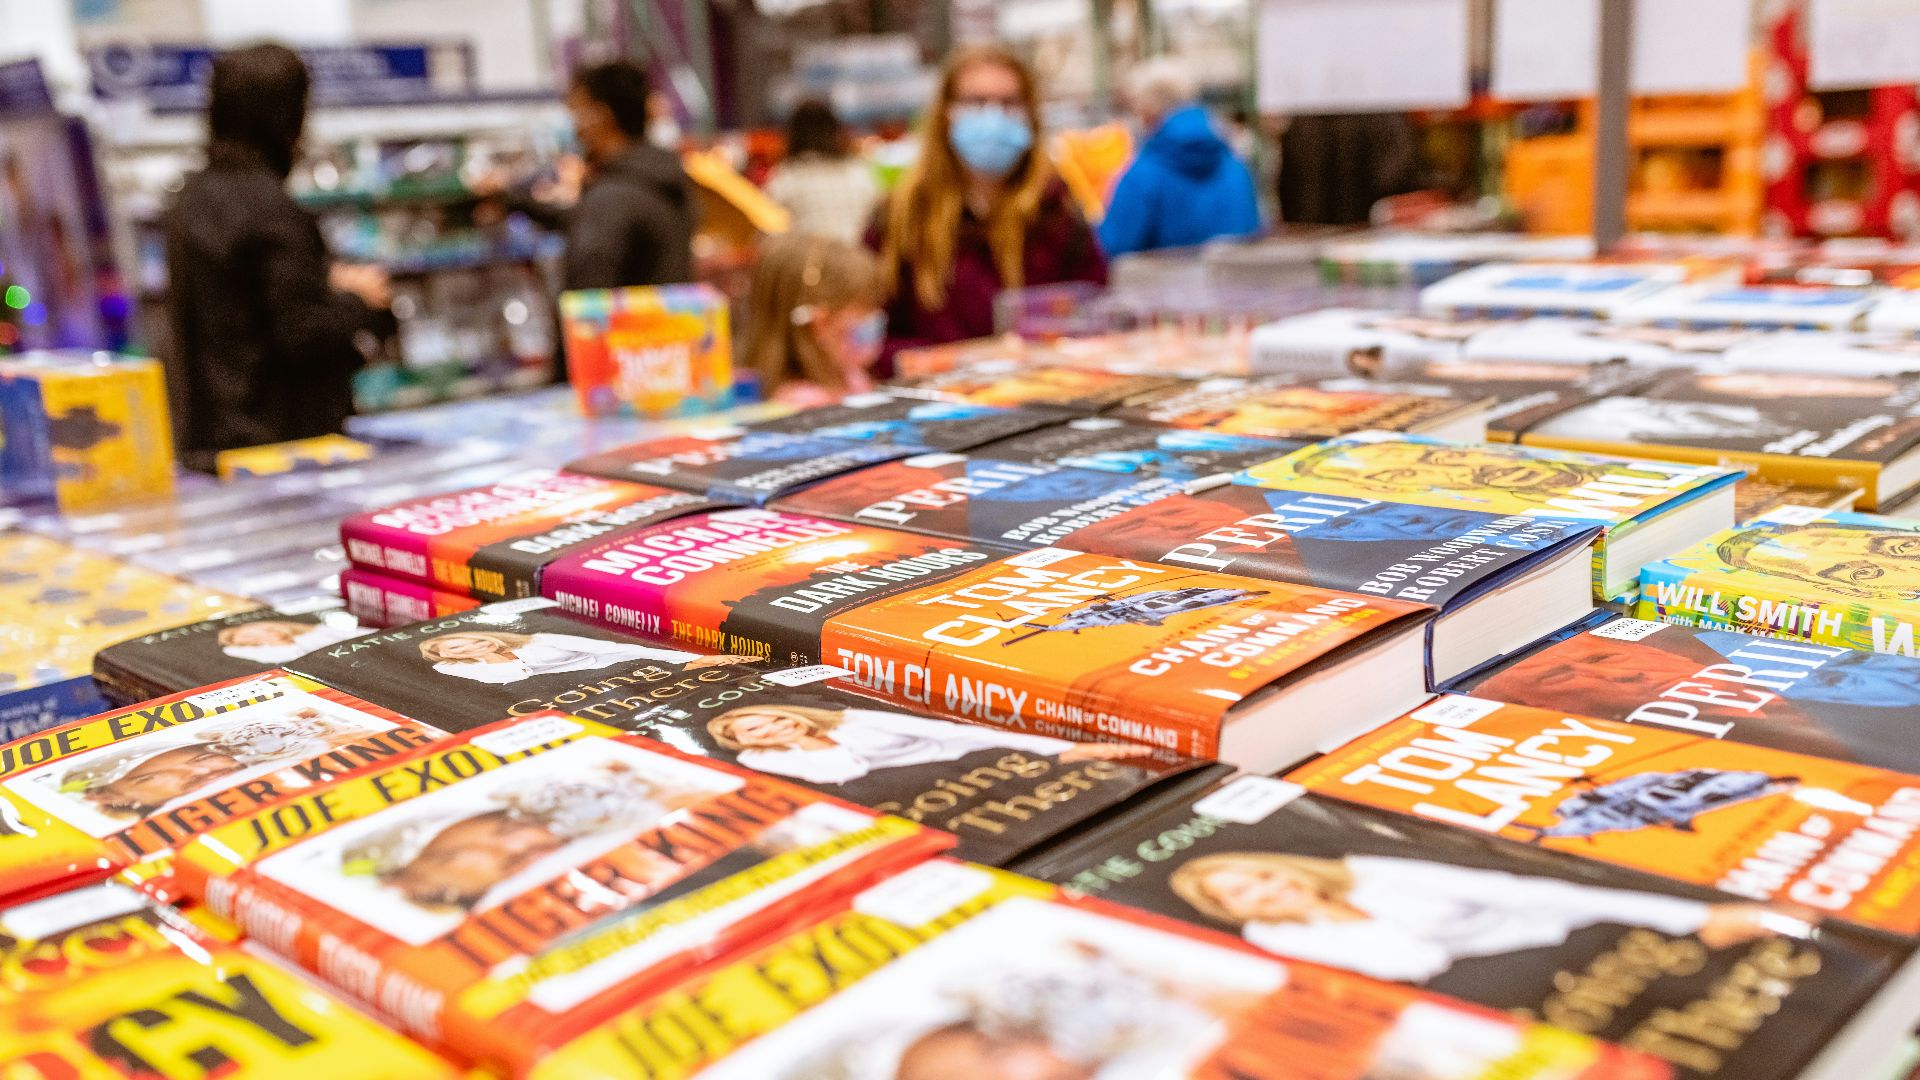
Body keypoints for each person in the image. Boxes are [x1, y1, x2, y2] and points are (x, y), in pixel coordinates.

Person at [164, 44, 394, 471]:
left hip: (210, 443)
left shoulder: (189, 198)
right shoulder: (270, 208)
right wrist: (362, 302)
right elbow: (300, 331)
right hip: (282, 449)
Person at [1169, 852, 1793, 984]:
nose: (1266, 889)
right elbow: (1418, 964)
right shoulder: (1269, 936)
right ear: (1228, 914)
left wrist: (1693, 916)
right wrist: (1321, 913)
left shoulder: (1371, 869)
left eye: (1259, 873)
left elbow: (1522, 890)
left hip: (1575, 937)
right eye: (1241, 894)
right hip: (1495, 984)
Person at [869, 46, 1106, 363]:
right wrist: (954, 360)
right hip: (938, 402)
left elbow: (1098, 310)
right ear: (945, 112)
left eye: (1009, 103)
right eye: (975, 102)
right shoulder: (899, 216)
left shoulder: (1059, 210)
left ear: (1030, 114)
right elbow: (869, 338)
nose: (992, 117)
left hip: (1045, 391)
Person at [707, 702, 1149, 784]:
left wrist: (1049, 748)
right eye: (757, 731)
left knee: (1107, 764)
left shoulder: (848, 716)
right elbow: (848, 773)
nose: (773, 729)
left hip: (980, 759)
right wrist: (808, 745)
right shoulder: (760, 759)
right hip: (919, 788)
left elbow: (952, 733)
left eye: (772, 718)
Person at [1097, 59, 1261, 257]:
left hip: (1163, 286)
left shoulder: (1142, 177)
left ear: (1148, 110)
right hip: (1234, 285)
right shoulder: (1237, 168)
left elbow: (1112, 248)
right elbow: (1253, 233)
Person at [743, 235, 887, 407]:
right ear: (821, 324)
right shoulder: (798, 403)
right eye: (864, 309)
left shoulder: (849, 374)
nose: (875, 317)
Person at [419, 629, 755, 685]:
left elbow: (610, 650)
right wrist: (492, 657)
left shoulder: (540, 638)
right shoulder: (446, 666)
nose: (470, 648)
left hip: (611, 670)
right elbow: (512, 678)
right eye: (456, 649)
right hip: (550, 692)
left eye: (473, 640)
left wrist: (679, 657)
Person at [763, 100, 881, 245]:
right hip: (860, 261)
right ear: (837, 132)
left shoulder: (786, 177)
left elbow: (767, 230)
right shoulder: (860, 173)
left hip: (810, 264)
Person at [218, 617, 367, 665]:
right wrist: (279, 642)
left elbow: (371, 635)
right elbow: (292, 655)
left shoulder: (315, 630)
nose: (251, 640)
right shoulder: (274, 651)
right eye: (252, 641)